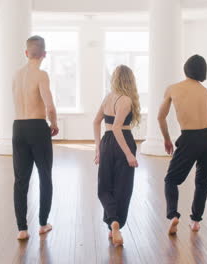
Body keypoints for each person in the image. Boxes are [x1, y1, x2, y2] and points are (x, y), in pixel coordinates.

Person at [157, 55, 207, 235]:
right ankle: (196, 221)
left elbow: (160, 117)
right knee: (203, 182)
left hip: (189, 138)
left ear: (186, 68)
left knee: (171, 180)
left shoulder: (173, 88)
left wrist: (167, 139)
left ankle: (173, 215)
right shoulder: (206, 92)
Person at [12, 35, 59, 240]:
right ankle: (43, 223)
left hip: (18, 127)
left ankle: (22, 229)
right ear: (44, 54)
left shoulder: (16, 74)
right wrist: (54, 123)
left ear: (26, 52)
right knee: (45, 176)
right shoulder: (41, 75)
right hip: (37, 127)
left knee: (20, 180)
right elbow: (49, 105)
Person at [93, 65, 141, 247]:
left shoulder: (108, 98)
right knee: (123, 187)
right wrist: (129, 154)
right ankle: (116, 224)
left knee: (105, 185)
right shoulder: (126, 100)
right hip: (123, 141)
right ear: (130, 80)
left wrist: (98, 148)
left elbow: (96, 122)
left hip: (107, 143)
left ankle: (112, 223)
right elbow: (117, 128)